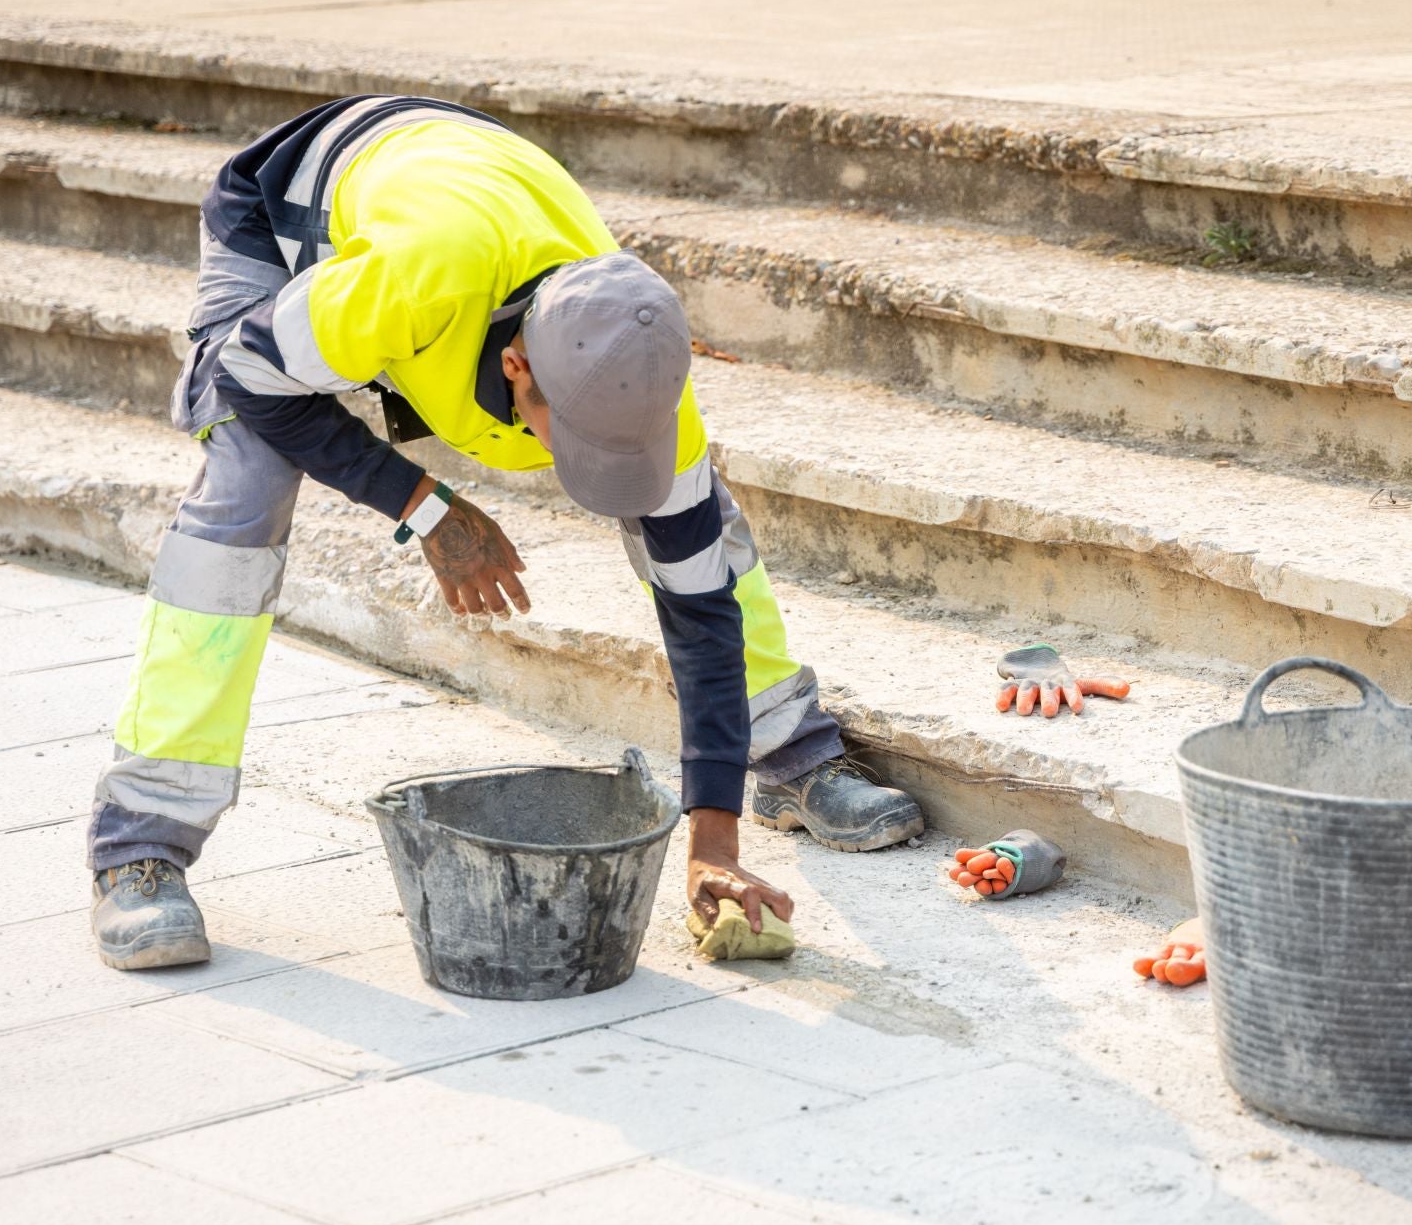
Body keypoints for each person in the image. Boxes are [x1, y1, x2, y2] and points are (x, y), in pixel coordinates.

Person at [87, 94, 924, 970]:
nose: (596, 467)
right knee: (246, 488)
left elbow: (700, 604)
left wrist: (713, 843)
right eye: (575, 441)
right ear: (517, 367)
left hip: (473, 196)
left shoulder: (633, 356)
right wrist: (423, 503)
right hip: (296, 209)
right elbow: (251, 372)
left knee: (698, 525)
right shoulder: (410, 285)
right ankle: (139, 843)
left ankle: (789, 747)